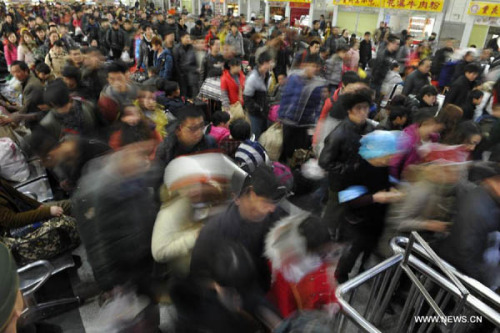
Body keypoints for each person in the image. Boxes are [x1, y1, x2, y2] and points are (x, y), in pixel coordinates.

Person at [191, 164, 288, 294]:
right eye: (266, 201)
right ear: (242, 197)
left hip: (263, 293)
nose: (272, 208)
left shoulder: (276, 218)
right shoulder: (215, 231)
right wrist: (219, 289)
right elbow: (198, 275)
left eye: (274, 202)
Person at [335, 131, 405, 283]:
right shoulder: (356, 167)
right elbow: (349, 199)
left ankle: (362, 271)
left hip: (376, 220)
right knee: (352, 252)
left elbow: (387, 182)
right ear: (377, 152)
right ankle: (342, 276)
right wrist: (375, 198)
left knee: (369, 248)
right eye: (387, 156)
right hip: (357, 222)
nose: (390, 160)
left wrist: (392, 190)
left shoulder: (383, 167)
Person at [319, 90, 375, 235]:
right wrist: (347, 168)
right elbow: (324, 161)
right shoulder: (339, 134)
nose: (363, 112)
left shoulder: (369, 128)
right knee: (334, 210)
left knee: (349, 209)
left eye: (366, 107)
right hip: (340, 183)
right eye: (358, 108)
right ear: (349, 110)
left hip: (359, 180)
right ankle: (325, 233)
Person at [437, 163, 500, 288]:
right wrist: (479, 284)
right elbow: (465, 251)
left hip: (466, 264)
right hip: (458, 272)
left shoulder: (484, 195)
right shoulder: (479, 210)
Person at [279, 54, 326, 162]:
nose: (313, 69)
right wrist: (281, 116)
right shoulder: (294, 78)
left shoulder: (318, 84)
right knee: (285, 148)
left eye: (315, 66)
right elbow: (286, 97)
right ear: (304, 65)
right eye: (311, 65)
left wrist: (314, 125)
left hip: (304, 124)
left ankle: (295, 169)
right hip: (289, 121)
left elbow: (318, 106)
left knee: (300, 151)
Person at [154, 105, 217, 182]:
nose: (199, 132)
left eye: (201, 126)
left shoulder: (209, 142)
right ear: (179, 128)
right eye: (193, 128)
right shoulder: (166, 149)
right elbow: (159, 181)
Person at [390, 110, 444, 180]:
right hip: (405, 178)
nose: (432, 128)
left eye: (433, 124)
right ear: (420, 125)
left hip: (423, 177)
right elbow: (394, 163)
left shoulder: (434, 138)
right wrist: (395, 181)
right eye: (427, 124)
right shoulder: (408, 139)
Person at [0, 61, 45, 128]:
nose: (15, 75)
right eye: (13, 73)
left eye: (18, 72)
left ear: (26, 71)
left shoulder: (31, 85)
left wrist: (11, 118)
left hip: (40, 119)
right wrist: (9, 106)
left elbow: (26, 109)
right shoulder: (29, 80)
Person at [98, 60, 139, 126]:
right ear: (108, 79)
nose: (116, 83)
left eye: (119, 78)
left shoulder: (135, 89)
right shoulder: (106, 99)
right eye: (112, 79)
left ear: (127, 76)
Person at [244, 52, 272, 139]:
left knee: (263, 137)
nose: (269, 66)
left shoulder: (266, 75)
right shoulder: (253, 78)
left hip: (263, 113)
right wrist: (258, 108)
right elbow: (247, 99)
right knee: (255, 136)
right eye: (268, 63)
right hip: (255, 114)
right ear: (262, 63)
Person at [173, 31, 198, 99]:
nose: (188, 39)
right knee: (183, 92)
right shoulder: (177, 48)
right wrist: (180, 74)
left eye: (189, 38)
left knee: (191, 92)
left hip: (190, 74)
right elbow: (176, 63)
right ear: (182, 38)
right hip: (181, 74)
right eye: (186, 37)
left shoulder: (191, 47)